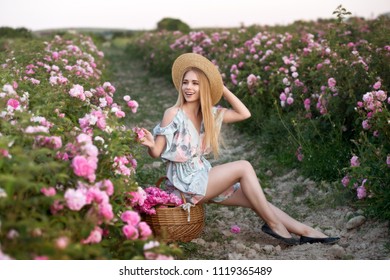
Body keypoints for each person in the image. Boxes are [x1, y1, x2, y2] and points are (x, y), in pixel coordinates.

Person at [139, 52, 339, 245]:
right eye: (185, 82)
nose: (188, 87)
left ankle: (307, 231)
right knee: (243, 166)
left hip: (202, 177)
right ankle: (274, 224)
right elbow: (157, 152)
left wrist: (220, 87)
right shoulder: (173, 113)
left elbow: (244, 113)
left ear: (204, 88)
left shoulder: (210, 114)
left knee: (256, 200)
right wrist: (149, 144)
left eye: (195, 83)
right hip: (186, 184)